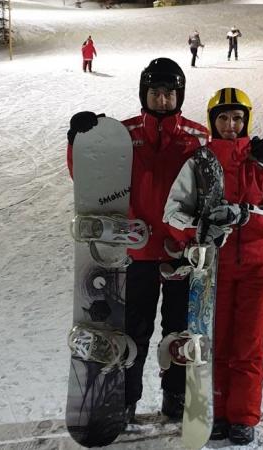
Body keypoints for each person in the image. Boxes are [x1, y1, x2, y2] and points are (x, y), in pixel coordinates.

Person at [66, 58, 209, 422]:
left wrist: (251, 151)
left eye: (169, 94)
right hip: (136, 252)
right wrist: (78, 141)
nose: (162, 100)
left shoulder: (198, 138)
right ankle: (125, 398)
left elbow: (221, 178)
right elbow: (89, 180)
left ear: (179, 96)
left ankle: (175, 394)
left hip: (181, 252)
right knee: (133, 331)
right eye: (155, 93)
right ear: (144, 94)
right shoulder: (123, 135)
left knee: (179, 330)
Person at [163, 88, 263, 445]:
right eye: (223, 118)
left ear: (247, 120)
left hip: (258, 267)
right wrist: (199, 228)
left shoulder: (262, 163)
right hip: (214, 267)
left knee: (248, 344)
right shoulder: (199, 162)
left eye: (238, 118)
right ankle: (219, 410)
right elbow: (172, 213)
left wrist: (246, 215)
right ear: (212, 122)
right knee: (216, 342)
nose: (231, 125)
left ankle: (244, 415)